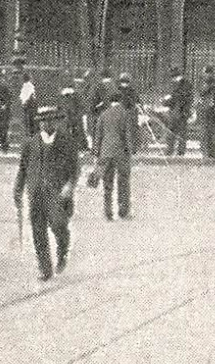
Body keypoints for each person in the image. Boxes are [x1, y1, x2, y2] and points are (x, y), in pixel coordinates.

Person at [14, 105, 79, 281]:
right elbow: (22, 169)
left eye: (50, 121)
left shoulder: (67, 142)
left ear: (56, 122)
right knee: (38, 231)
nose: (46, 124)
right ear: (39, 123)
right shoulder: (30, 143)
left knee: (58, 225)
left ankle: (63, 249)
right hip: (35, 193)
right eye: (43, 121)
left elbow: (74, 169)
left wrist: (69, 186)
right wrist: (18, 190)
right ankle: (45, 268)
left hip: (57, 194)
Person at [90, 82, 139, 220]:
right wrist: (130, 151)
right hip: (120, 153)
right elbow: (127, 135)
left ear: (110, 101)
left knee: (107, 184)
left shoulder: (103, 115)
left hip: (105, 152)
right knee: (123, 182)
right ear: (120, 100)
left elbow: (98, 136)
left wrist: (96, 153)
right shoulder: (124, 114)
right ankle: (123, 212)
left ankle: (108, 212)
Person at [166, 72, 193, 156]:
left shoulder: (183, 85)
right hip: (178, 111)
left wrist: (168, 99)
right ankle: (176, 151)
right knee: (178, 132)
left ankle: (175, 151)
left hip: (180, 112)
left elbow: (179, 97)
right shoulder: (183, 84)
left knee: (176, 132)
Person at [197, 66, 215, 159]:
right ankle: (210, 152)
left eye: (205, 73)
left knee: (206, 131)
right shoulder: (213, 83)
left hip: (208, 109)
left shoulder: (210, 83)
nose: (204, 75)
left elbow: (203, 92)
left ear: (209, 73)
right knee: (209, 132)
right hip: (210, 109)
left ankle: (207, 152)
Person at [17, 71, 38, 139]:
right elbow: (22, 96)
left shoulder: (29, 86)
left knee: (30, 120)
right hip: (27, 106)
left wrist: (25, 102)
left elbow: (29, 96)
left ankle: (31, 135)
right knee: (28, 120)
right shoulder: (26, 86)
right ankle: (29, 135)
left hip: (29, 106)